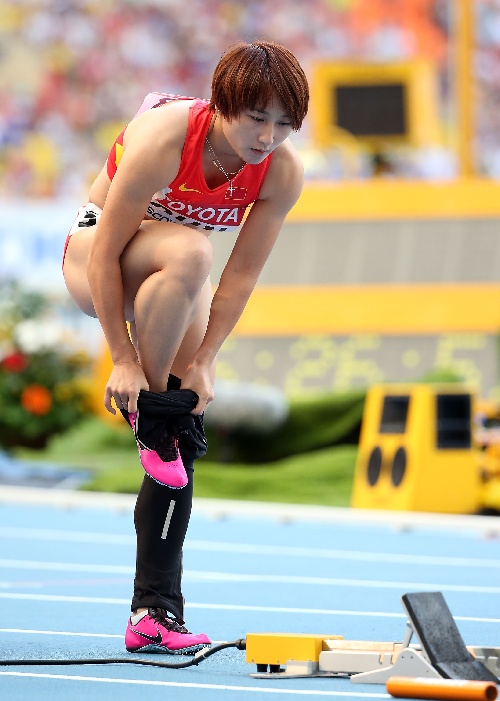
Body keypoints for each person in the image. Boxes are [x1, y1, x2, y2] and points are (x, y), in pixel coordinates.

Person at [62, 40, 309, 654]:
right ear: (223, 104)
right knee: (193, 251)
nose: (267, 137)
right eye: (256, 117)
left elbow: (242, 278)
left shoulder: (281, 173)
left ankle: (154, 612)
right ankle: (151, 414)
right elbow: (108, 254)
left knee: (182, 413)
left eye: (283, 123)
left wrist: (205, 362)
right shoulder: (167, 135)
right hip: (99, 257)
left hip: (174, 280)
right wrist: (120, 358)